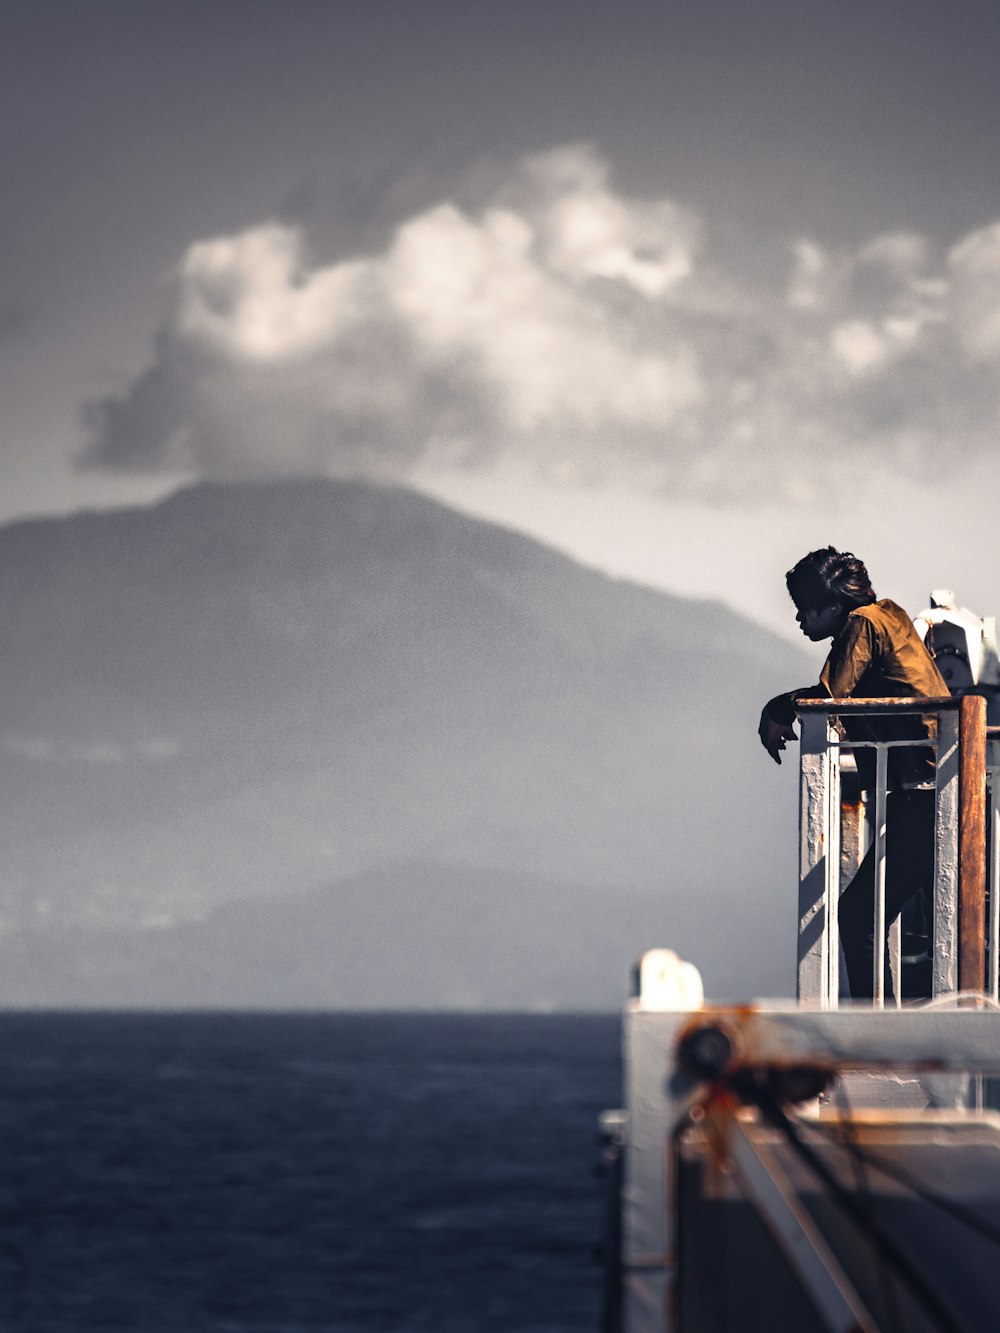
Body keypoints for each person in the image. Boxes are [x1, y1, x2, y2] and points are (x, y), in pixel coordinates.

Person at [758, 547, 949, 1000]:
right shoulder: (890, 615)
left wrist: (775, 708)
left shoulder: (863, 622)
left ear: (832, 606)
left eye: (806, 609)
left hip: (922, 794)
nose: (801, 620)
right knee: (931, 913)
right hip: (935, 788)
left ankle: (880, 1034)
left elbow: (829, 698)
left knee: (861, 914)